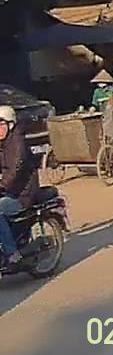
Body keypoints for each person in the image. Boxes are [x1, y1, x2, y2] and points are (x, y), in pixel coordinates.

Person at [0, 105, 39, 270]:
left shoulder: (17, 142)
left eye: (1, 125)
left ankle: (12, 253)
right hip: (11, 191)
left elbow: (16, 169)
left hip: (23, 194)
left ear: (10, 124)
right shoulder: (3, 143)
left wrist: (2, 186)